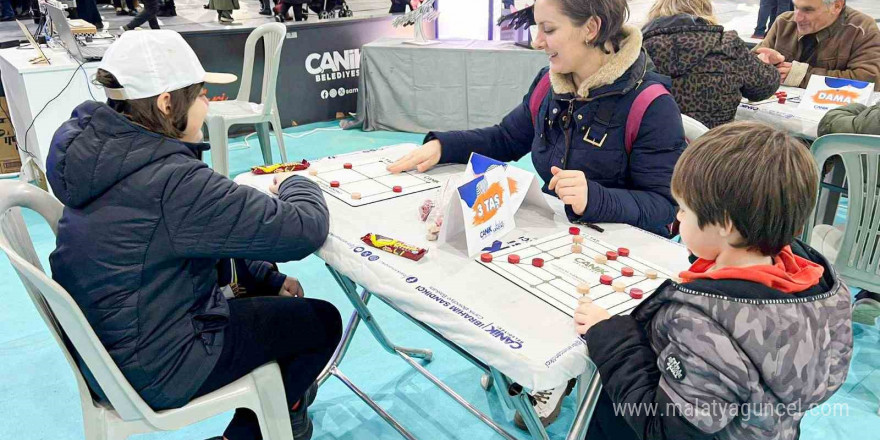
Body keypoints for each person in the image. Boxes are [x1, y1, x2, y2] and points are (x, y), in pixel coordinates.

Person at [389, 0, 686, 428]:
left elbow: (665, 211)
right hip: (557, 238)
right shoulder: (551, 85)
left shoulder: (652, 104)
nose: (536, 40)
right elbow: (506, 137)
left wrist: (595, 197)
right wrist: (442, 146)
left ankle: (561, 373)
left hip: (620, 261)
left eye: (548, 29)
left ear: (591, 29)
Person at [46, 31, 341, 440]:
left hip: (110, 349)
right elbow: (304, 229)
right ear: (167, 103)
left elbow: (193, 237)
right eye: (202, 95)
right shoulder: (172, 181)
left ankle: (282, 411)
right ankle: (255, 432)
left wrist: (266, 278)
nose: (209, 105)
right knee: (322, 322)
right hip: (158, 365)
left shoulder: (102, 152)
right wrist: (298, 181)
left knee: (262, 284)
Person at [572, 121, 853, 440]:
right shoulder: (823, 287)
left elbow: (663, 428)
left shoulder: (701, 323)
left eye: (684, 210)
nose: (677, 216)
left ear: (724, 225)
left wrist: (612, 336)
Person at [642, 0, 780, 128]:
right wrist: (764, 64)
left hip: (656, 146)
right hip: (715, 148)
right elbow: (764, 88)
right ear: (706, 11)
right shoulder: (728, 46)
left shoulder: (641, 49)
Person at [754, 0, 880, 91]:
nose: (797, 17)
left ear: (836, 6)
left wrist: (801, 76)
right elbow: (745, 64)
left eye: (808, 10)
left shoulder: (862, 29)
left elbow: (868, 80)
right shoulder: (784, 22)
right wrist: (760, 64)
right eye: (795, 7)